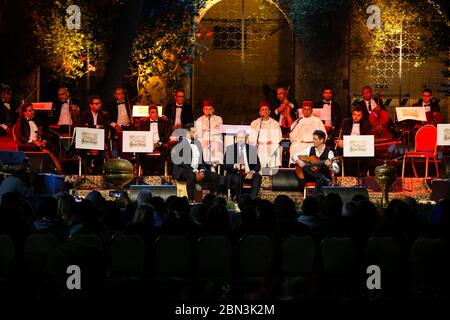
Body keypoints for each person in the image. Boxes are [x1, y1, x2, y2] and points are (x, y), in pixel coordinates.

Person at [171, 123, 220, 202]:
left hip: (196, 170)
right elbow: (181, 162)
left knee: (215, 176)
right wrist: (195, 172)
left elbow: (201, 162)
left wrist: (202, 171)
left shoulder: (198, 143)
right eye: (194, 132)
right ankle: (191, 201)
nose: (196, 134)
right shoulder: (180, 143)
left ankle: (213, 199)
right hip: (183, 171)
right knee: (191, 176)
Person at [13, 102, 62, 173]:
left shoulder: (38, 119)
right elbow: (20, 136)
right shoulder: (20, 121)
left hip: (39, 143)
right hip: (28, 144)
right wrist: (34, 141)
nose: (33, 112)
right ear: (24, 113)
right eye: (30, 111)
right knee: (43, 149)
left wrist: (44, 141)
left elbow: (44, 133)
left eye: (33, 110)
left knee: (54, 145)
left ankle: (54, 170)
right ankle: (57, 169)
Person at [223, 130, 262, 200]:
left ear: (246, 139)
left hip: (248, 173)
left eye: (243, 138)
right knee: (237, 178)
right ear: (236, 138)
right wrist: (234, 165)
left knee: (257, 176)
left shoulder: (251, 149)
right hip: (236, 173)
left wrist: (252, 172)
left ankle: (252, 199)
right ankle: (239, 200)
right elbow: (225, 165)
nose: (241, 139)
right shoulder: (230, 149)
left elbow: (258, 165)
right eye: (239, 138)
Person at [336, 105, 372, 177]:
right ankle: (350, 176)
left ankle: (362, 175)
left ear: (362, 116)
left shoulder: (366, 124)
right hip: (348, 146)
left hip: (360, 147)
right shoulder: (345, 122)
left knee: (370, 155)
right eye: (354, 114)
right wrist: (341, 142)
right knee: (347, 156)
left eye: (358, 115)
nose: (356, 117)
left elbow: (367, 138)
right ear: (352, 115)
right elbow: (342, 135)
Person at [289, 101, 326, 165]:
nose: (306, 111)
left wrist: (317, 142)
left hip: (313, 144)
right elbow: (292, 135)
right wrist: (299, 141)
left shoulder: (317, 121)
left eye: (308, 109)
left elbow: (323, 135)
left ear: (311, 111)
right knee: (294, 147)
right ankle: (295, 168)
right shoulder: (298, 121)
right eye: (304, 109)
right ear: (302, 111)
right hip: (300, 144)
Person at [137, 104, 171, 175]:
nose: (155, 114)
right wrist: (149, 144)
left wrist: (158, 144)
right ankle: (145, 170)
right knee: (140, 150)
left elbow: (167, 135)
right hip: (147, 143)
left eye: (156, 112)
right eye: (152, 112)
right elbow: (141, 135)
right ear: (148, 113)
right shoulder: (143, 121)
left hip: (159, 143)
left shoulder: (163, 121)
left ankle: (159, 170)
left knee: (166, 148)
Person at [81, 95, 111, 173]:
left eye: (99, 103)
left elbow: (106, 128)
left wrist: (91, 127)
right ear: (91, 105)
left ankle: (96, 168)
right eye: (96, 103)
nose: (99, 105)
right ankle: (87, 167)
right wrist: (96, 126)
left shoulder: (105, 114)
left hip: (100, 139)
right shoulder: (85, 114)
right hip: (87, 138)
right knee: (82, 149)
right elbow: (83, 126)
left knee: (102, 149)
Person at [249, 102, 283, 169]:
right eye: (262, 110)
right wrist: (256, 142)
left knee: (276, 148)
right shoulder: (254, 123)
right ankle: (257, 171)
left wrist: (272, 141)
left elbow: (278, 136)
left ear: (269, 112)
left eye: (266, 109)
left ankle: (273, 170)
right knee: (252, 148)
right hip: (259, 145)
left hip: (271, 145)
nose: (264, 111)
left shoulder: (275, 123)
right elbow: (251, 136)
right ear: (260, 112)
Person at [195, 100, 223, 168]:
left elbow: (218, 131)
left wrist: (206, 130)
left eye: (210, 109)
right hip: (203, 141)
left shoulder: (218, 118)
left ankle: (214, 164)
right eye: (206, 109)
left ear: (213, 110)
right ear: (203, 110)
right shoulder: (199, 120)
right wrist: (210, 130)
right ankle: (206, 165)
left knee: (216, 142)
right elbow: (198, 133)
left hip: (215, 140)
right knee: (202, 142)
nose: (208, 111)